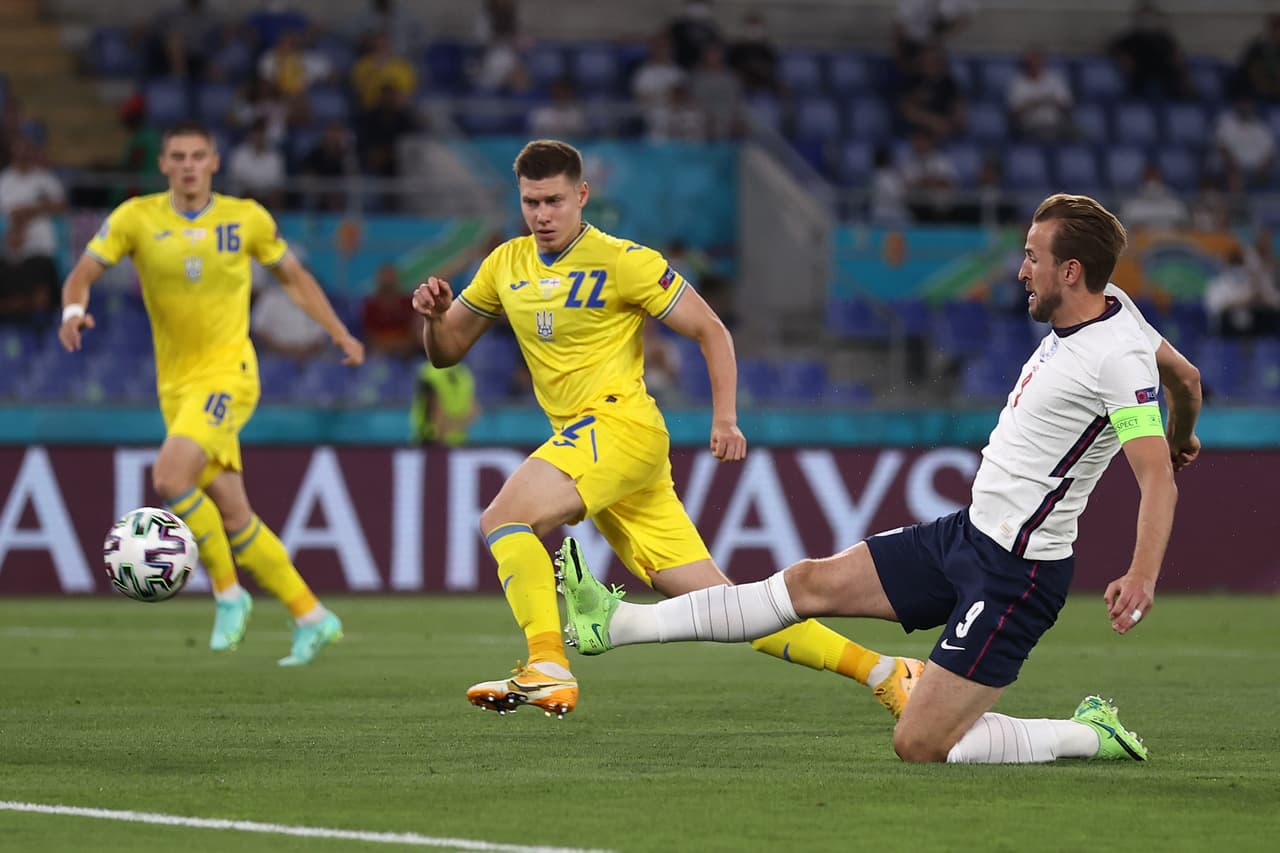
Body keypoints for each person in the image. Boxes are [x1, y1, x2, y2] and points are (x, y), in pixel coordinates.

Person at [560, 193, 1205, 765]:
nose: (1020, 271)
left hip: (1018, 574)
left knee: (920, 744)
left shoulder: (1115, 356)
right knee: (808, 582)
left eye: (1033, 258)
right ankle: (616, 624)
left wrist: (1142, 574)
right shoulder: (1119, 312)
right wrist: (1183, 433)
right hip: (966, 535)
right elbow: (1187, 377)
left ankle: (1088, 734)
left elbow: (1156, 481)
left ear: (1071, 271)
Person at [411, 139, 921, 719]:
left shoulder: (624, 261)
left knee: (504, 518)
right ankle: (887, 671)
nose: (542, 215)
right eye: (531, 202)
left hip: (618, 425)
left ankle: (547, 664)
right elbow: (446, 352)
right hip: (602, 450)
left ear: (582, 195)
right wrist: (433, 320)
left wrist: (724, 417)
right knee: (726, 606)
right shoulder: (505, 264)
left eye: (554, 201)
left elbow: (710, 330)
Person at [57, 121, 365, 664]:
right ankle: (313, 616)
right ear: (163, 164)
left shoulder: (246, 218)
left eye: (198, 156)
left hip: (229, 375)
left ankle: (227, 593)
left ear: (215, 162)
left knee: (169, 477)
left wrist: (338, 332)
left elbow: (294, 278)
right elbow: (81, 273)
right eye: (177, 156)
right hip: (175, 386)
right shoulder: (135, 218)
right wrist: (73, 311)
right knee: (234, 513)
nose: (188, 166)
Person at [0, 136, 65, 326]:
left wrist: (32, 210)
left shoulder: (45, 179)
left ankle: (37, 322)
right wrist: (14, 230)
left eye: (26, 150)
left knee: (41, 289)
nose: (22, 155)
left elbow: (61, 206)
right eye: (18, 151)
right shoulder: (4, 181)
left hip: (40, 249)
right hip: (11, 250)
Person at [410, 360, 480, 446]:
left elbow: (435, 413)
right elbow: (474, 411)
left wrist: (447, 428)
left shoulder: (429, 371)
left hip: (437, 441)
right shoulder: (464, 373)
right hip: (444, 441)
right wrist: (460, 424)